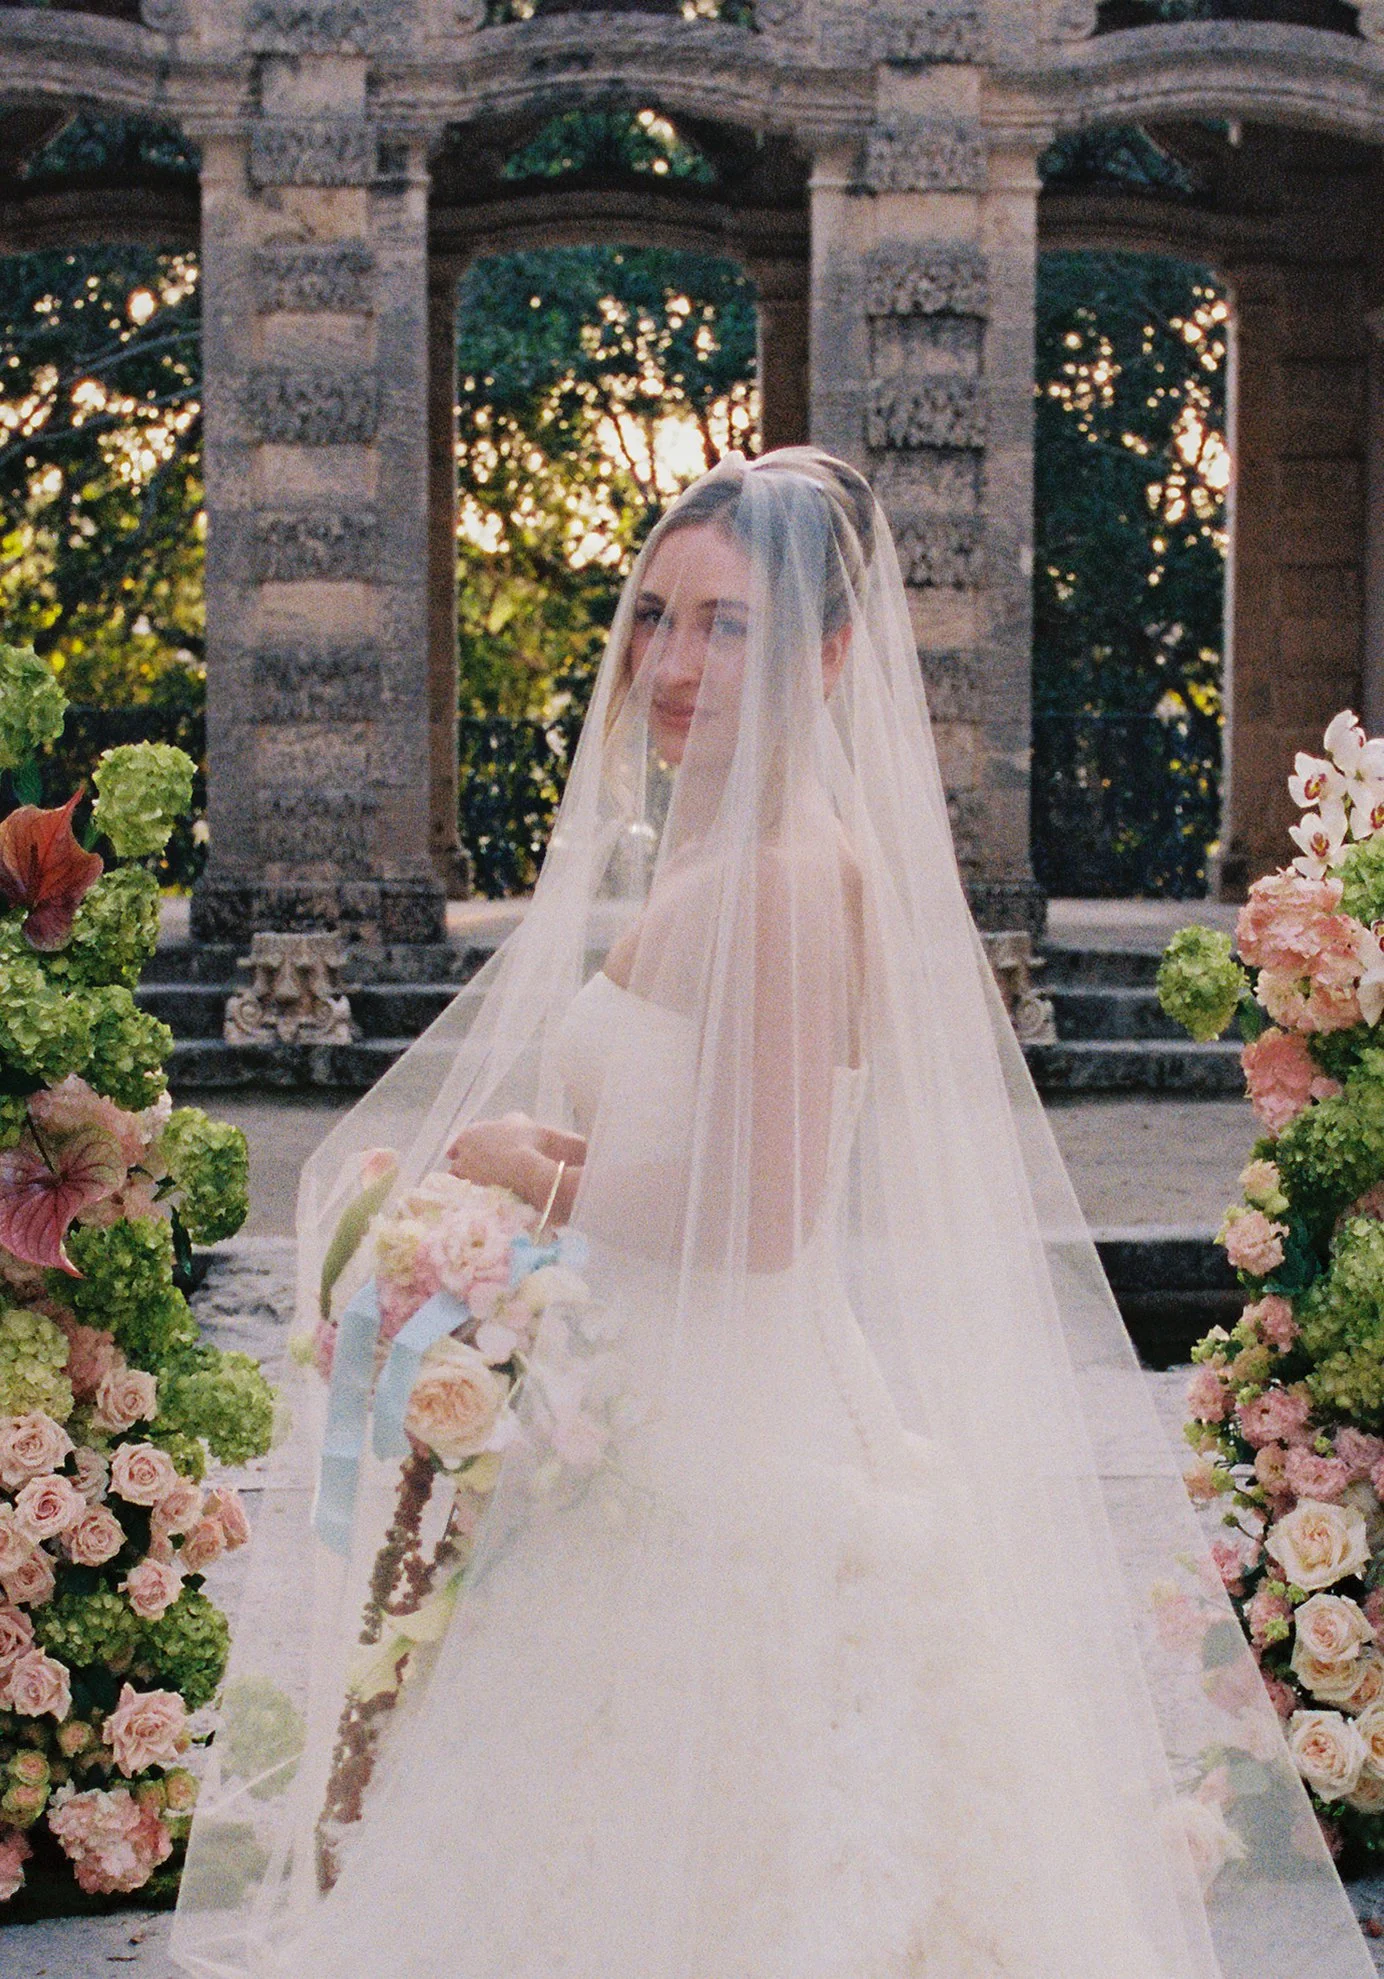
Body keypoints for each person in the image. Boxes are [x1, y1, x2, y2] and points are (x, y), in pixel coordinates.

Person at [172, 448, 1375, 1979]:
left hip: (742, 1440)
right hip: (646, 1416)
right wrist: (530, 1186)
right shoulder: (723, 853)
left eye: (725, 625)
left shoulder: (795, 877)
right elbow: (690, 1141)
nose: (671, 662)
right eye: (656, 616)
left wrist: (513, 1166)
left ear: (827, 649)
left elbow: (760, 1211)